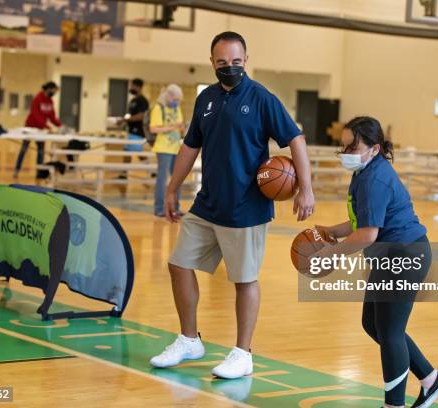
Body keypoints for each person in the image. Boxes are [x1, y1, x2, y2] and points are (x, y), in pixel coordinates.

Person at [149, 31, 315, 379]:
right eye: (222, 63)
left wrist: (306, 188)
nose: (229, 68)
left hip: (246, 208)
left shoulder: (261, 98)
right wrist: (171, 188)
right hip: (207, 203)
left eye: (236, 62)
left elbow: (295, 139)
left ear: (246, 61)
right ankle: (189, 339)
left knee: (243, 280)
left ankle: (243, 353)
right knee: (178, 265)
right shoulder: (206, 98)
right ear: (212, 63)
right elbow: (190, 146)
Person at [314, 116, 438, 408]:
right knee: (373, 325)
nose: (346, 153)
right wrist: (332, 232)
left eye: (352, 147)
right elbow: (360, 222)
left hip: (404, 255)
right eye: (343, 147)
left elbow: (367, 234)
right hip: (390, 255)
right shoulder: (365, 170)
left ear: (374, 149)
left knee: (389, 332)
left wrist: (333, 254)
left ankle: (394, 404)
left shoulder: (375, 178)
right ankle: (431, 379)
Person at [150, 84, 185, 217]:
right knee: (162, 178)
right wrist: (172, 127)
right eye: (175, 99)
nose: (176, 102)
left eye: (178, 100)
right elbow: (153, 129)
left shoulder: (177, 109)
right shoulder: (158, 108)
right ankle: (159, 208)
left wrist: (181, 127)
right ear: (168, 96)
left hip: (176, 147)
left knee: (177, 178)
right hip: (163, 148)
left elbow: (179, 125)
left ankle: (175, 207)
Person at [14, 81, 61, 178]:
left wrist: (60, 125)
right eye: (54, 91)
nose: (54, 93)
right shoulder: (37, 99)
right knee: (24, 149)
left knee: (41, 151)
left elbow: (52, 117)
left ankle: (39, 172)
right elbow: (35, 115)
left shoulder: (50, 102)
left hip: (41, 130)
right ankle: (17, 170)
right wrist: (47, 127)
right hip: (31, 126)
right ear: (48, 89)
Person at [120, 78, 149, 179]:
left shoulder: (143, 101)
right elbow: (130, 114)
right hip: (130, 130)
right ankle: (123, 174)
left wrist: (127, 119)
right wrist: (124, 120)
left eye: (132, 86)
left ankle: (152, 171)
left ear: (138, 87)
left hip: (138, 131)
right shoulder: (133, 100)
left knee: (139, 153)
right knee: (127, 151)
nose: (130, 88)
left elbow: (141, 116)